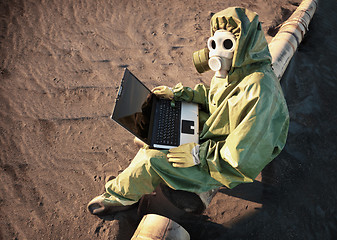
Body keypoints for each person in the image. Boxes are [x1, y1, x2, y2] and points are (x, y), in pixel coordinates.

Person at [87, 7, 289, 216]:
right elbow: (217, 99)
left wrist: (197, 154)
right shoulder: (238, 70)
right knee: (170, 115)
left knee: (153, 158)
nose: (217, 52)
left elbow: (243, 156)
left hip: (222, 160)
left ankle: (119, 197)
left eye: (227, 44)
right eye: (214, 44)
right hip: (218, 133)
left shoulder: (259, 90)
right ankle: (157, 142)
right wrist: (181, 95)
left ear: (244, 44)